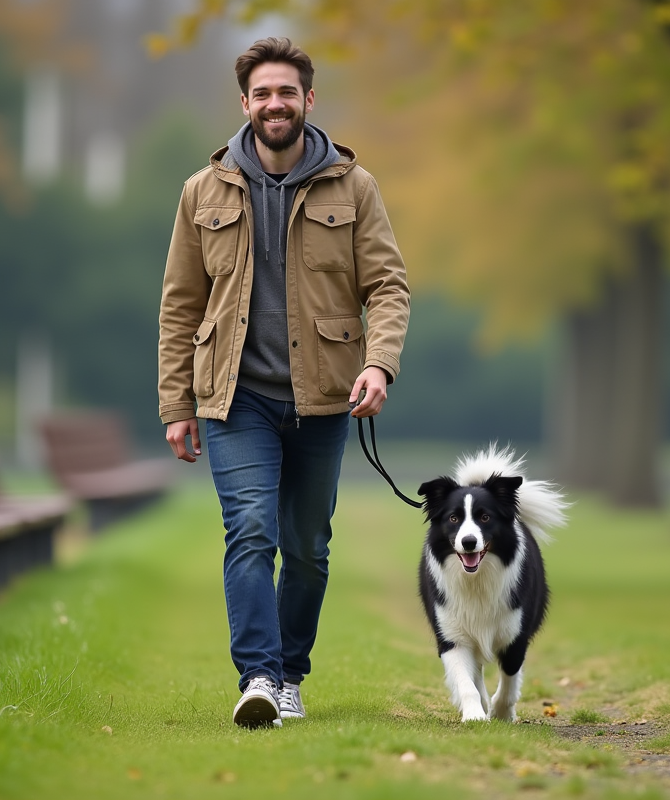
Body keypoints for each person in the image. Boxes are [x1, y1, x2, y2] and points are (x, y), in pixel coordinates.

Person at [157, 36, 410, 728]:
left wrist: (378, 363)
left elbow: (388, 285)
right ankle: (260, 677)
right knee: (250, 531)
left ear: (308, 100)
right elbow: (181, 302)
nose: (275, 104)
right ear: (245, 103)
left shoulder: (354, 187)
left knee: (307, 547)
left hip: (325, 397)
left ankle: (291, 672)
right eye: (263, 93)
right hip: (234, 398)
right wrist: (177, 403)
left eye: (287, 92)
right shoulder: (201, 192)